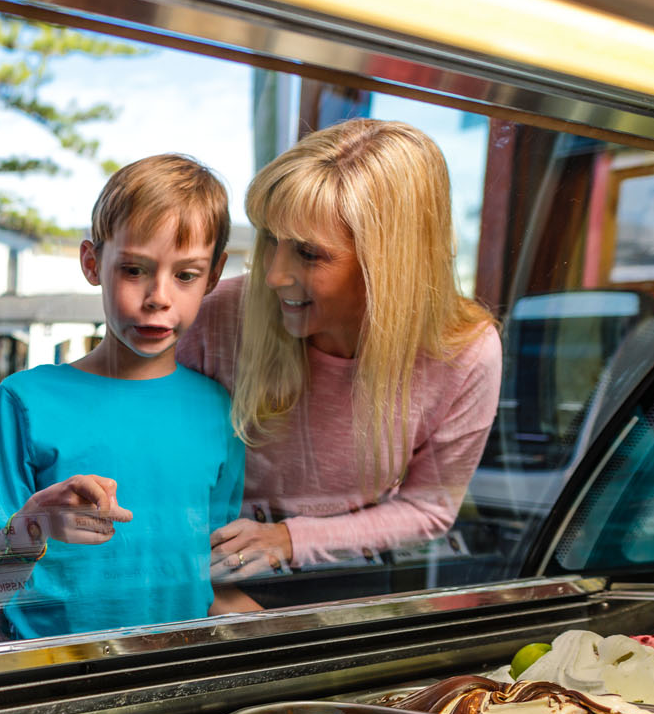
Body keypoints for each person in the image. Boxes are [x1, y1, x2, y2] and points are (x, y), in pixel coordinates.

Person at [180, 119, 501, 606]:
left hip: (355, 579)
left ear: (388, 264)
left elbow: (428, 508)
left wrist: (290, 540)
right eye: (271, 239)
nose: (274, 275)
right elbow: (148, 476)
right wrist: (209, 591)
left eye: (309, 254)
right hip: (205, 573)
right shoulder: (214, 315)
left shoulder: (466, 351)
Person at [0, 154, 248, 641]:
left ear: (215, 275)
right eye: (134, 270)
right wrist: (35, 523)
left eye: (186, 275)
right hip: (47, 667)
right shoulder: (25, 400)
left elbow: (212, 573)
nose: (158, 296)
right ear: (92, 263)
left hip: (178, 668)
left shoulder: (221, 411)